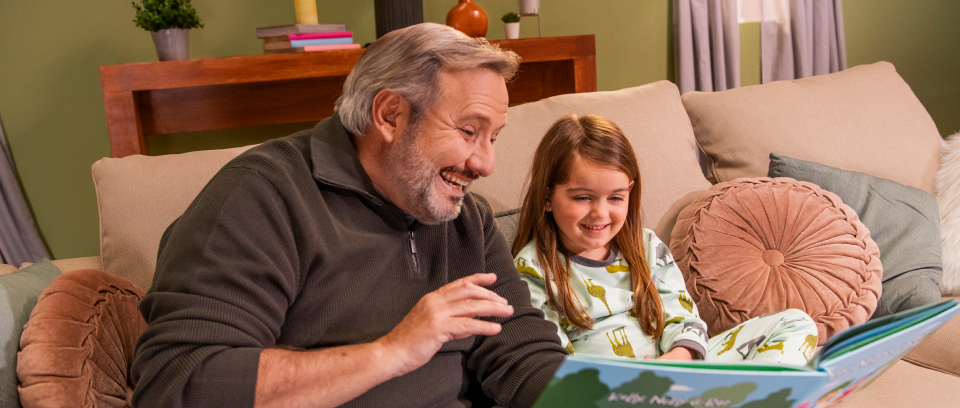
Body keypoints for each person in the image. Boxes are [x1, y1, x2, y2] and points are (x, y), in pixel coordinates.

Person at [131, 23, 567, 408]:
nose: (485, 164)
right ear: (389, 115)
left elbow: (522, 356)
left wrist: (598, 394)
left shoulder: (467, 219)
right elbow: (179, 382)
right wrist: (392, 352)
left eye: (493, 138)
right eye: (469, 132)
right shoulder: (261, 197)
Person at [511, 114, 817, 364]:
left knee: (796, 322)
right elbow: (552, 362)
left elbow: (683, 318)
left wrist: (676, 362)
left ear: (630, 191)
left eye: (615, 198)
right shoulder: (531, 268)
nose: (600, 213)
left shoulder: (646, 246)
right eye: (582, 197)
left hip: (677, 370)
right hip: (611, 389)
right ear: (547, 197)